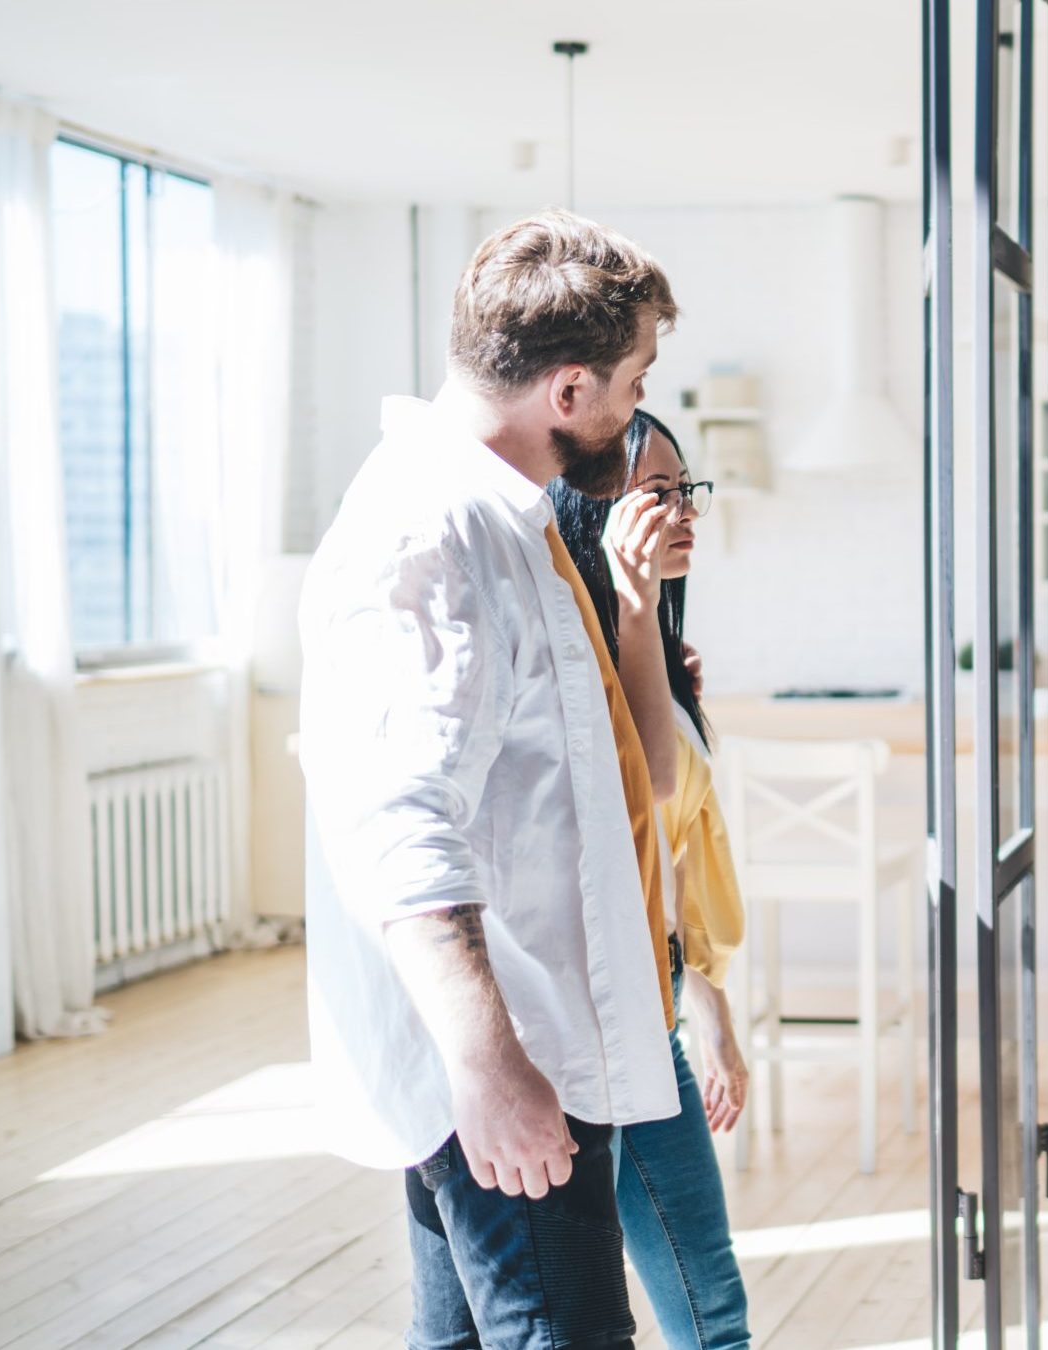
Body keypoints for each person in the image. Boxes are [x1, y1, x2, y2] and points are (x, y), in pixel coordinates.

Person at [299, 210, 679, 1350]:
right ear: (569, 392)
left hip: (529, 1041)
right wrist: (489, 1064)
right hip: (509, 1057)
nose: (635, 407)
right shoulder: (434, 528)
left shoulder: (497, 518)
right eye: (633, 380)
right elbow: (402, 815)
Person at [550, 410, 753, 1349]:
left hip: (653, 1004)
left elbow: (664, 856)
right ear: (588, 510)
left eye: (686, 491)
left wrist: (708, 1010)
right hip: (595, 1022)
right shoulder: (584, 648)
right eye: (655, 493)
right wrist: (636, 614)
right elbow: (654, 785)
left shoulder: (661, 651)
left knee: (710, 1306)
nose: (683, 513)